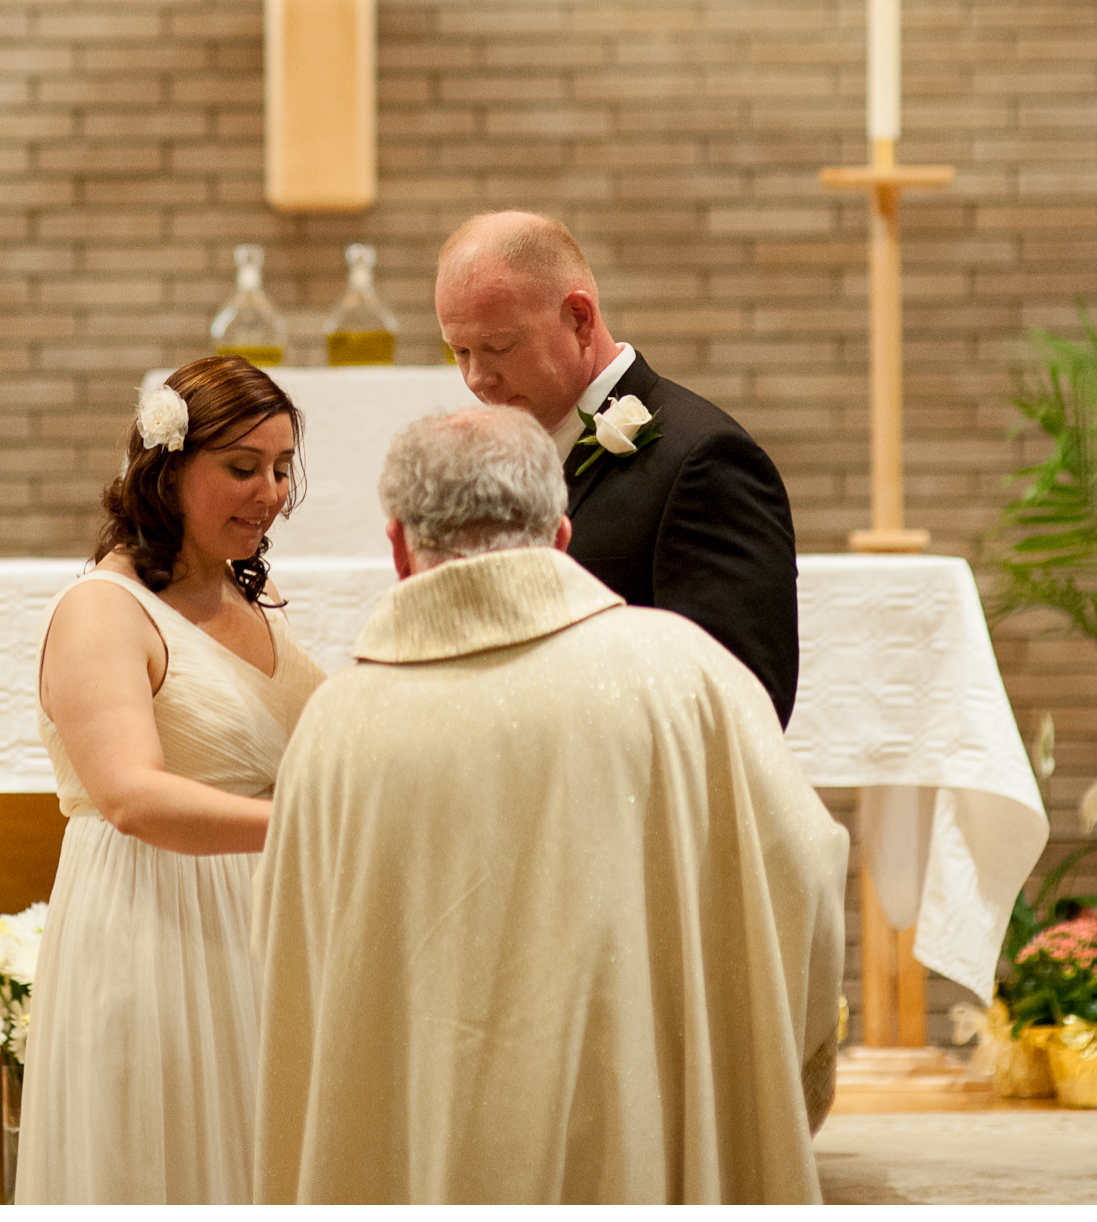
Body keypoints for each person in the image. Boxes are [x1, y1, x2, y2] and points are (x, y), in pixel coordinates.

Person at [256, 403, 846, 1200]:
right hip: (640, 1142)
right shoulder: (689, 675)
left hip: (423, 1153)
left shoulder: (336, 727)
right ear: (562, 533)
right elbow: (806, 871)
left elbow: (295, 978)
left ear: (398, 547)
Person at [16, 353, 324, 1205]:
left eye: (282, 467)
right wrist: (314, 825)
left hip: (256, 928)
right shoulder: (101, 611)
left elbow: (331, 736)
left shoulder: (239, 600)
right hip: (155, 927)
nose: (270, 493)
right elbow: (130, 795)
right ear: (168, 468)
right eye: (242, 467)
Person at [431, 209, 799, 721]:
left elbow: (741, 698)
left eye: (499, 347)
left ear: (579, 318)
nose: (477, 379)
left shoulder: (703, 462)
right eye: (460, 351)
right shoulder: (501, 457)